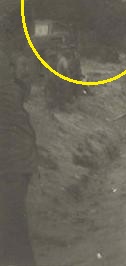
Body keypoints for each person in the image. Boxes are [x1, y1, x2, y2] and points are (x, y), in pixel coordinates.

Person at [0, 44, 38, 266]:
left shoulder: (9, 93)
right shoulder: (13, 90)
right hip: (19, 161)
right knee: (12, 218)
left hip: (13, 162)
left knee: (12, 218)